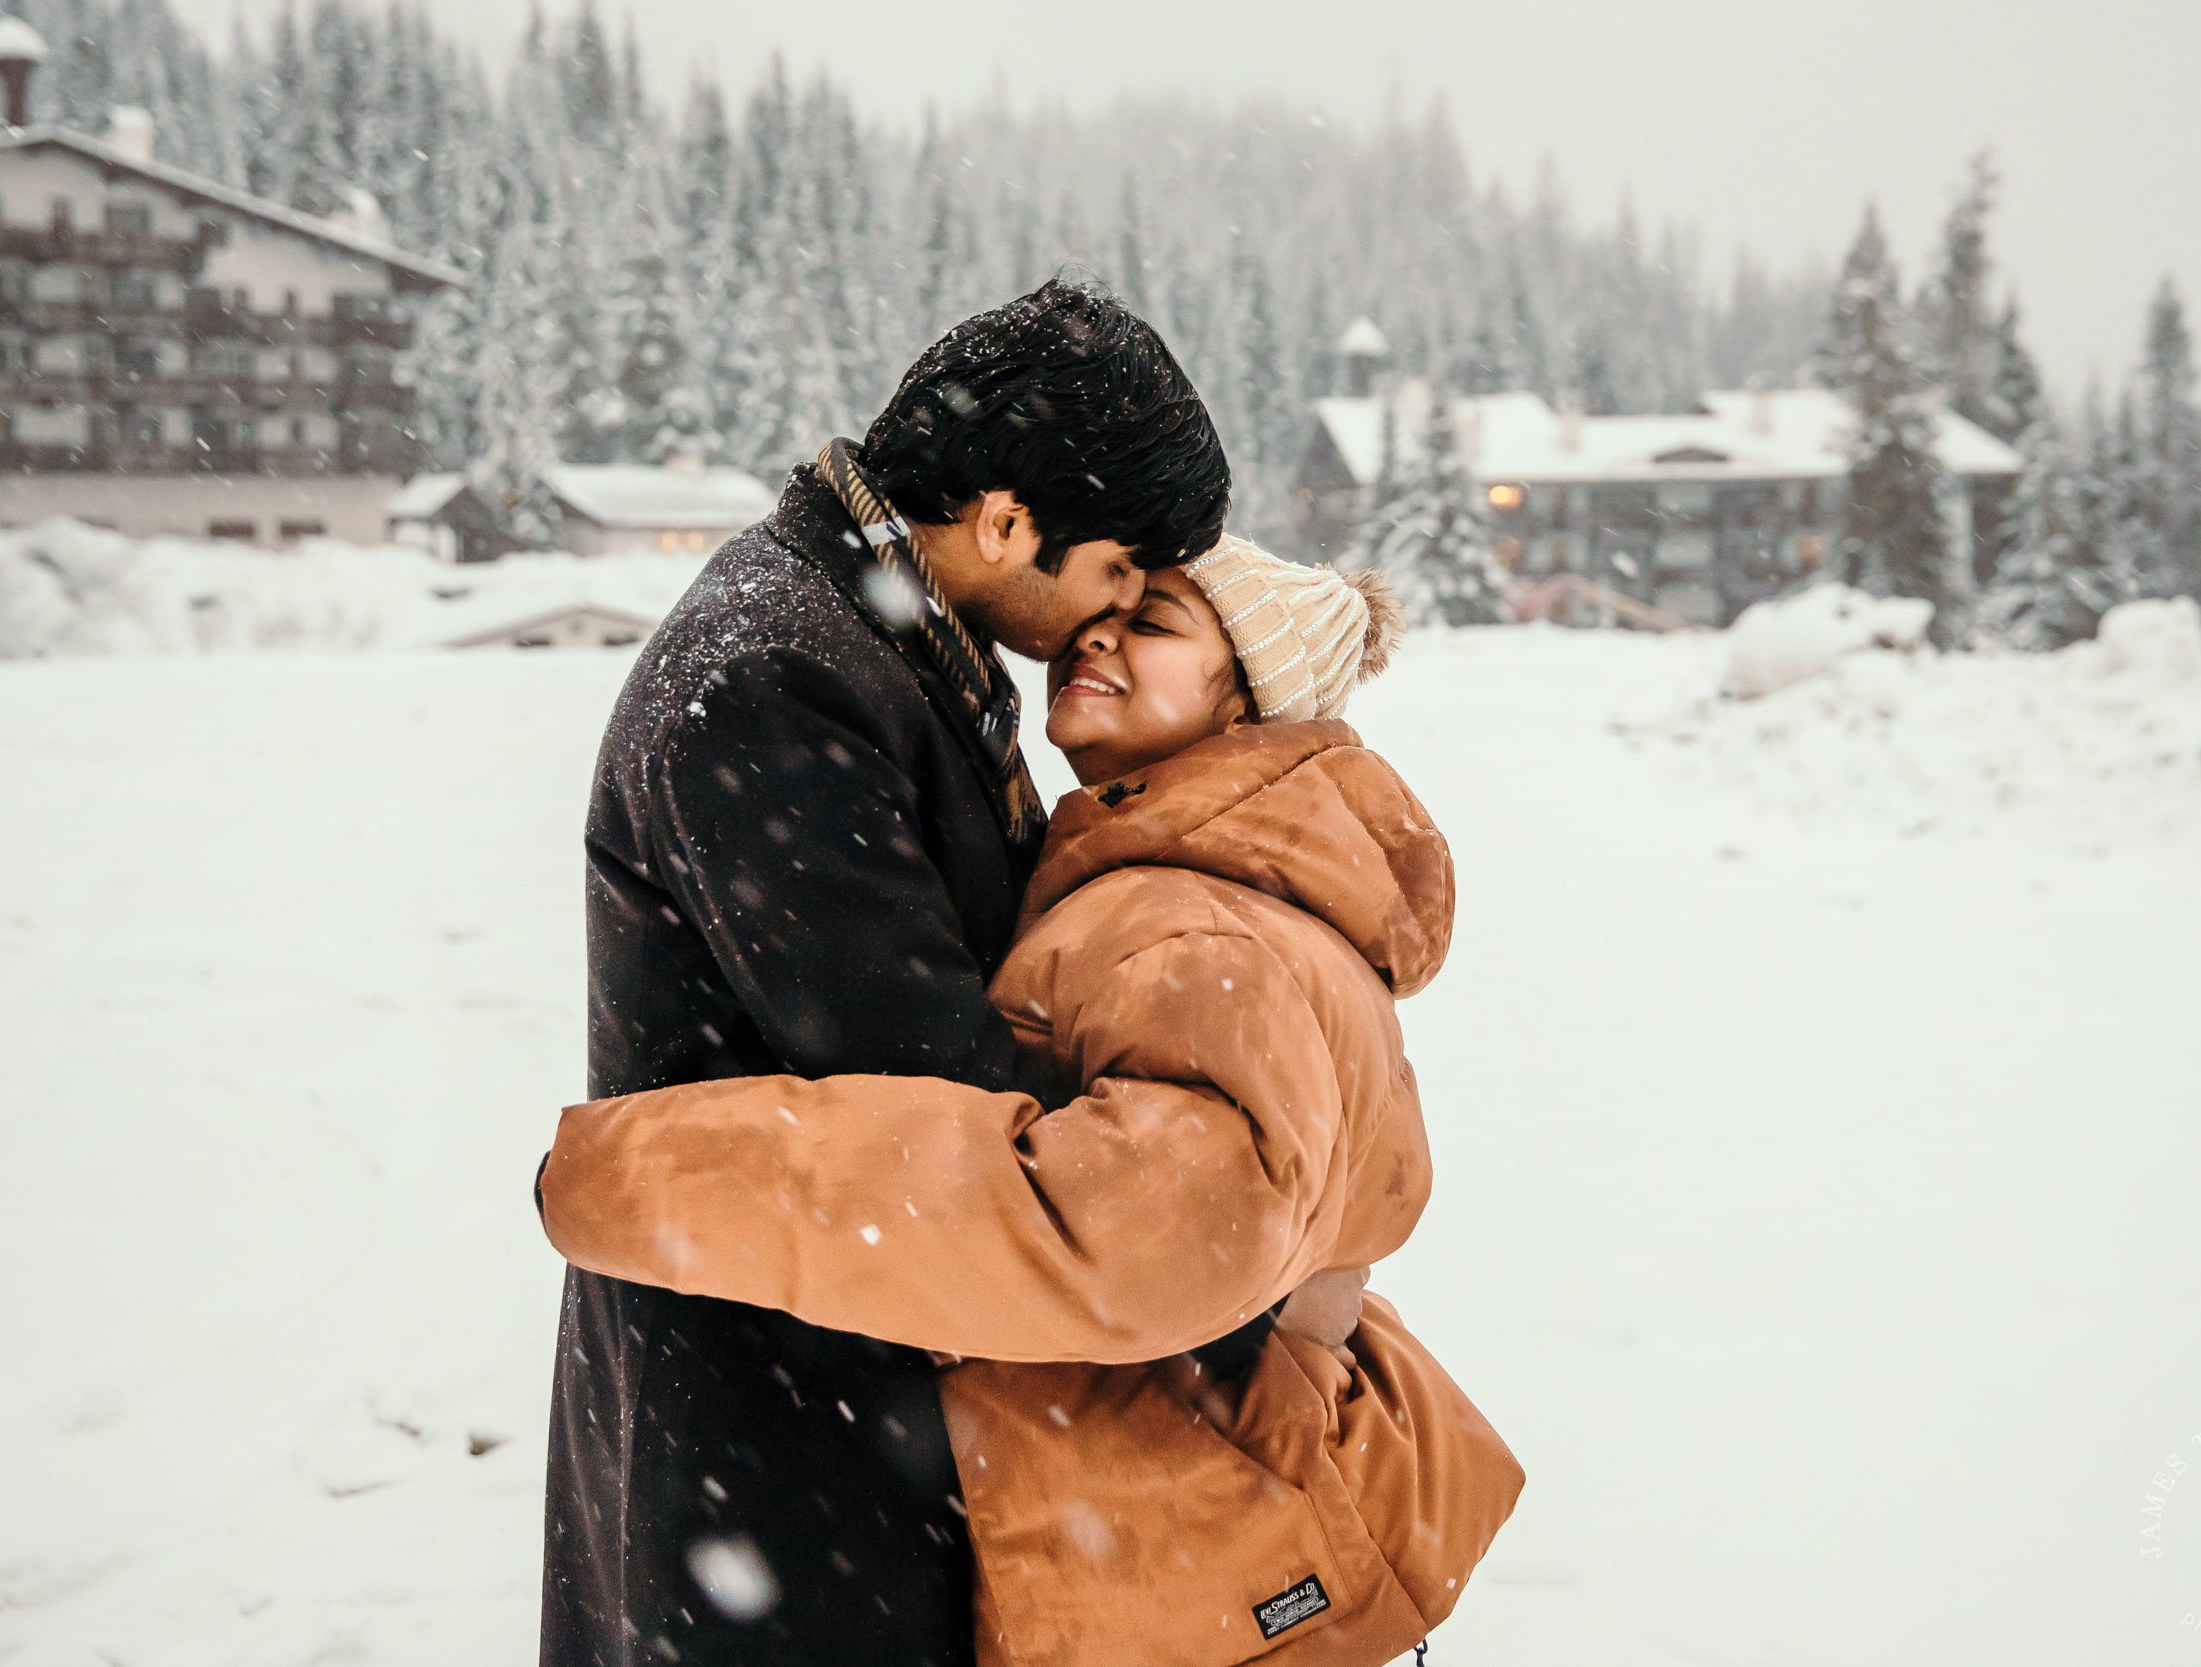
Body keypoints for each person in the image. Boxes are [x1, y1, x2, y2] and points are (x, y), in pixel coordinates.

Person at [542, 540, 1523, 1666]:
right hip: (1204, 1548)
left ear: (1249, 701)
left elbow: (1131, 1227)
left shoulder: (1192, 921)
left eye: (1154, 625)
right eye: (1103, 615)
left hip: (1183, 1568)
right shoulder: (1202, 886)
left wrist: (665, 1175)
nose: (1095, 635)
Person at [542, 278, 1231, 1667]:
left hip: (848, 1377)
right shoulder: (772, 677)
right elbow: (923, 1070)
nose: (1109, 618)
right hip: (768, 1412)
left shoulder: (887, 637)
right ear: (1004, 521)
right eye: (1114, 572)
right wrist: (1194, 1211)